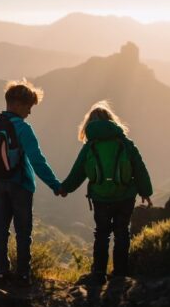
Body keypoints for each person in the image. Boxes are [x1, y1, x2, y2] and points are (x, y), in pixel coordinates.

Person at [59, 100, 152, 284]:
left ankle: (99, 273)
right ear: (111, 120)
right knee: (122, 233)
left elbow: (78, 171)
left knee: (101, 234)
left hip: (100, 197)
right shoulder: (124, 142)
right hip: (125, 196)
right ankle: (120, 274)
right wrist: (145, 191)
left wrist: (65, 188)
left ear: (89, 124)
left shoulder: (90, 146)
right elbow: (139, 167)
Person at [0, 79, 62, 286]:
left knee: (0, 230)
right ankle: (23, 274)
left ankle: (1, 271)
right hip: (21, 185)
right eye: (28, 106)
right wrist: (54, 184)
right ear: (16, 104)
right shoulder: (23, 129)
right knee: (23, 232)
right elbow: (37, 160)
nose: (29, 112)